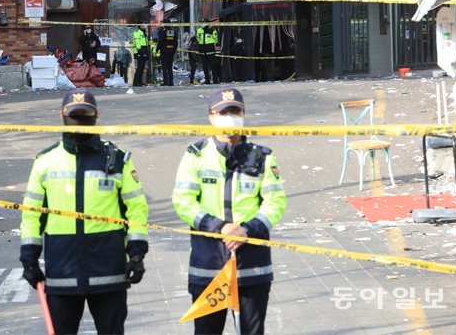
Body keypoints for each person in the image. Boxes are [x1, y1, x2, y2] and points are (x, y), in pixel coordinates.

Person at [19, 89, 149, 335]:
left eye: (85, 115)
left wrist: (137, 254)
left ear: (97, 116)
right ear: (62, 116)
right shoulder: (45, 162)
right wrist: (29, 258)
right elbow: (32, 214)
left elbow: (136, 209)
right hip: (62, 272)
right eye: (74, 115)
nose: (79, 121)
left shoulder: (117, 160)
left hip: (108, 271)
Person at [172, 88, 287, 334]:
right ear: (211, 117)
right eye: (223, 112)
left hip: (252, 265)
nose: (230, 116)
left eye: (235, 110)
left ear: (244, 113)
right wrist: (220, 227)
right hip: (209, 265)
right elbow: (183, 201)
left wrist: (247, 230)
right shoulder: (196, 155)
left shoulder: (262, 157)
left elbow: (275, 201)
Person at [196, 19, 219, 84]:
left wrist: (211, 45)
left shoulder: (212, 30)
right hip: (202, 51)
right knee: (205, 67)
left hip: (210, 51)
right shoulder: (198, 30)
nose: (202, 24)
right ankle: (207, 80)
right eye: (201, 22)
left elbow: (216, 40)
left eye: (203, 22)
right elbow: (198, 38)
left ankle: (215, 80)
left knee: (213, 66)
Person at [157, 18, 178, 86]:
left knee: (164, 67)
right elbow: (175, 42)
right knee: (169, 67)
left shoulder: (162, 31)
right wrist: (174, 50)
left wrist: (157, 49)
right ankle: (171, 82)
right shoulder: (172, 31)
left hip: (164, 51)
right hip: (171, 51)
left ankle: (166, 82)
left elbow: (160, 41)